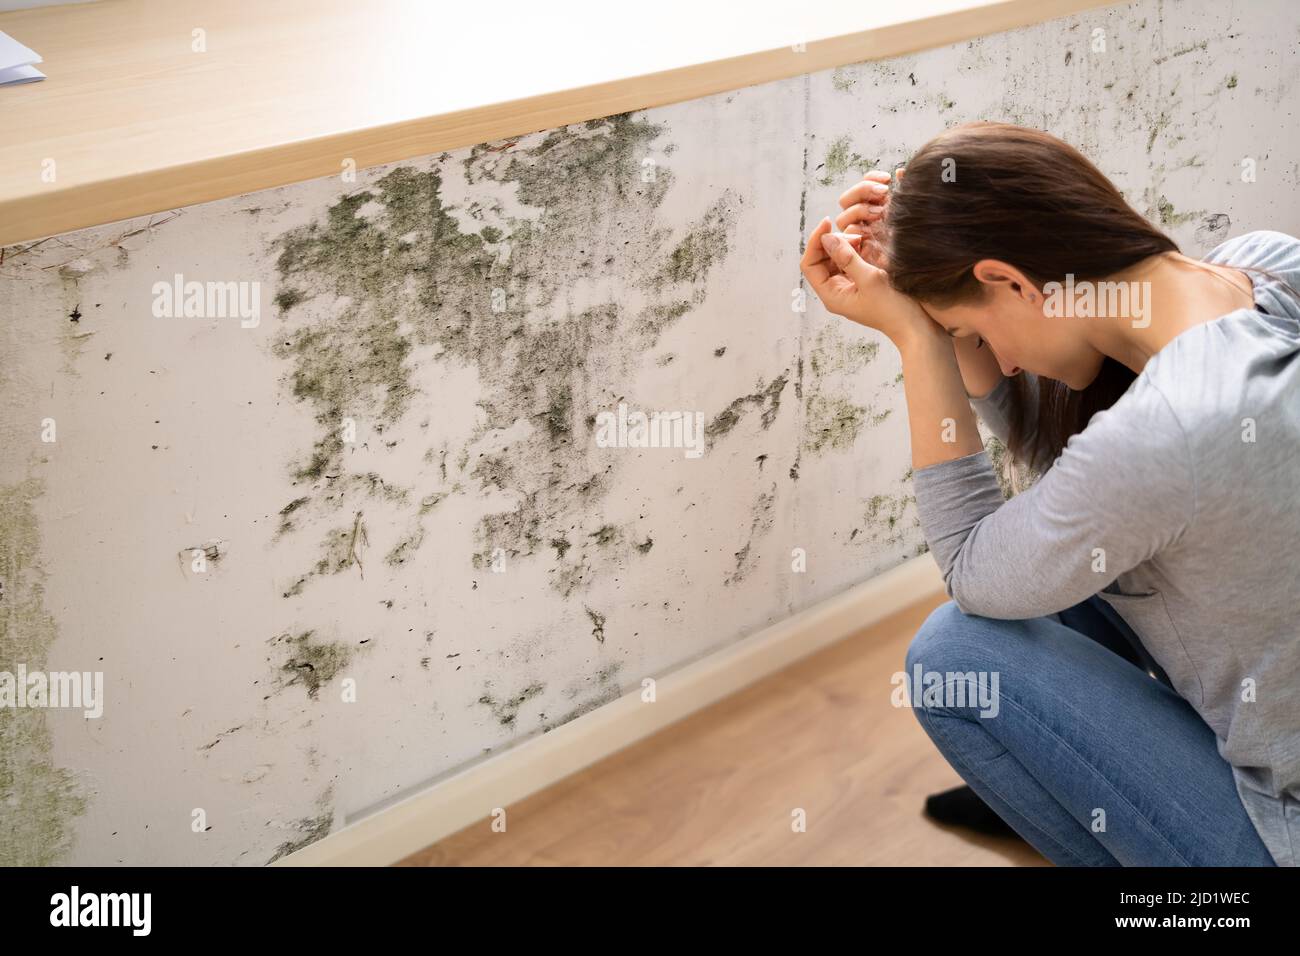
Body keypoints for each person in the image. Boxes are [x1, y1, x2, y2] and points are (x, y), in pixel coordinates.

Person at [800, 121, 1300, 866]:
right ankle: (1083, 783)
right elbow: (1083, 467)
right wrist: (935, 277)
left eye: (971, 326)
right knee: (1063, 574)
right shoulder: (1266, 267)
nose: (996, 358)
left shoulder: (1172, 427)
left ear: (1009, 281)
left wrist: (918, 342)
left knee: (954, 656)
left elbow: (974, 569)